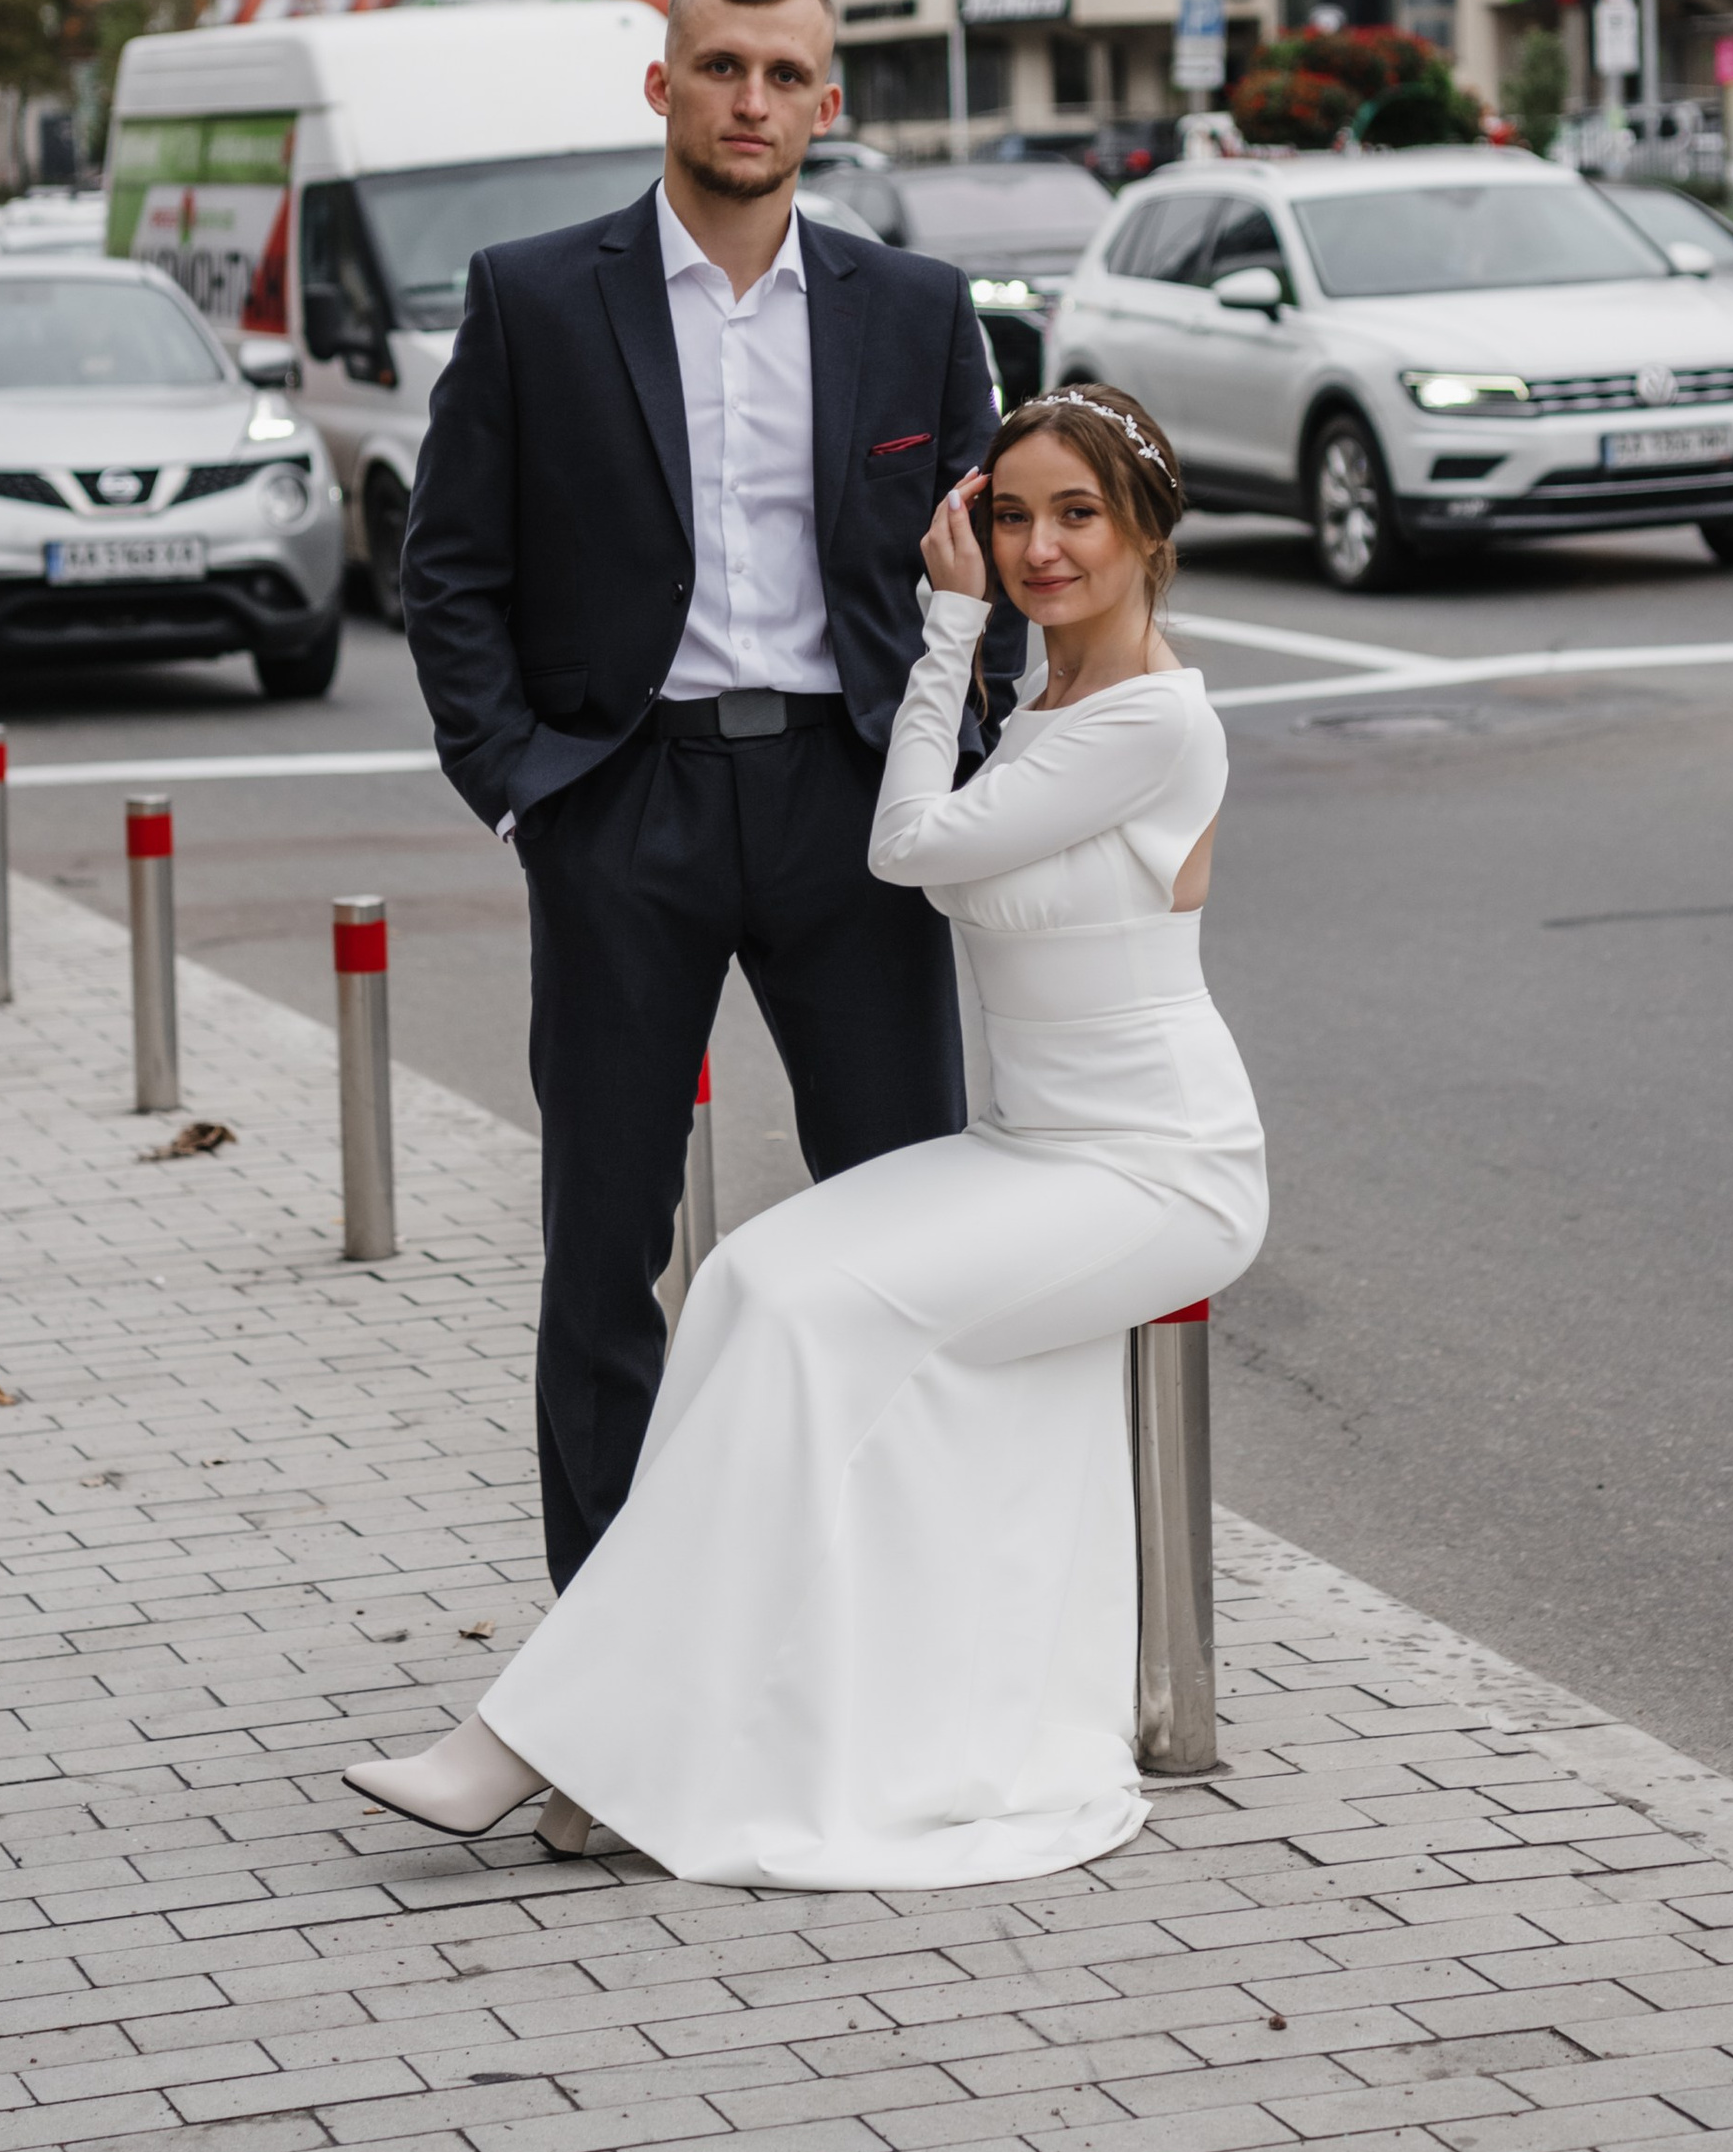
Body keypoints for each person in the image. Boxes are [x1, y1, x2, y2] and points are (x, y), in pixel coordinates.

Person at [350, 378, 1268, 1889]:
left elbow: (905, 847)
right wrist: (975, 660)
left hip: (1153, 1165)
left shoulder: (1155, 720)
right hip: (1026, 1146)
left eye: (1078, 515)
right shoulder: (1052, 707)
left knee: (799, 1314)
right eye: (1013, 514)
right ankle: (636, 1742)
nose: (1040, 547)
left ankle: (527, 1744)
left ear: (1149, 530)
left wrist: (948, 626)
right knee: (739, 1287)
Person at [401, 0, 1015, 1595]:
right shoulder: (536, 296)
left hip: (854, 807)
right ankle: (609, 1633)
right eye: (723, 67)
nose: (754, 100)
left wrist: (949, 761)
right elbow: (448, 567)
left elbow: (1003, 559)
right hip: (627, 804)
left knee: (901, 1226)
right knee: (604, 1249)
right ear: (664, 84)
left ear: (831, 98)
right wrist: (530, 789)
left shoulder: (913, 306)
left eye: (787, 73)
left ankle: (904, 1601)